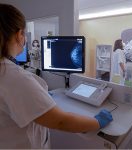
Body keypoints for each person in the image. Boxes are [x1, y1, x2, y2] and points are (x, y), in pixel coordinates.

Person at [0, 4, 113, 149]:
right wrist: (97, 122)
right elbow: (60, 122)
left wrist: (38, 96)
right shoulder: (13, 76)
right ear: (19, 34)